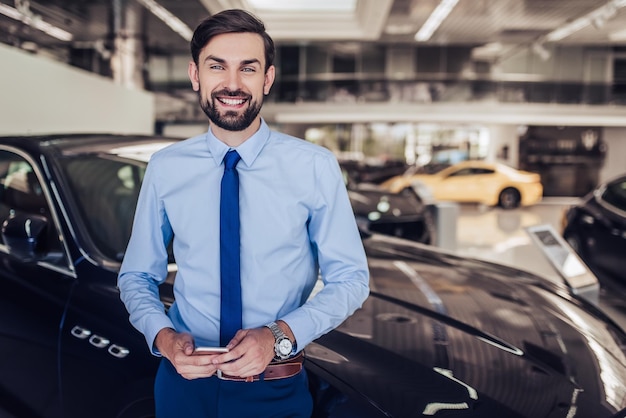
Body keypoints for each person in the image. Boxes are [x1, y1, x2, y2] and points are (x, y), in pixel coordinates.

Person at [117, 8, 370, 418]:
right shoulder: (166, 167)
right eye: (217, 67)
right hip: (182, 388)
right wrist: (162, 336)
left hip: (276, 389)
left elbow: (351, 279)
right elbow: (136, 275)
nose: (232, 84)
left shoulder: (314, 166)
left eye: (247, 69)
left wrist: (279, 336)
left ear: (267, 78)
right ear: (195, 75)